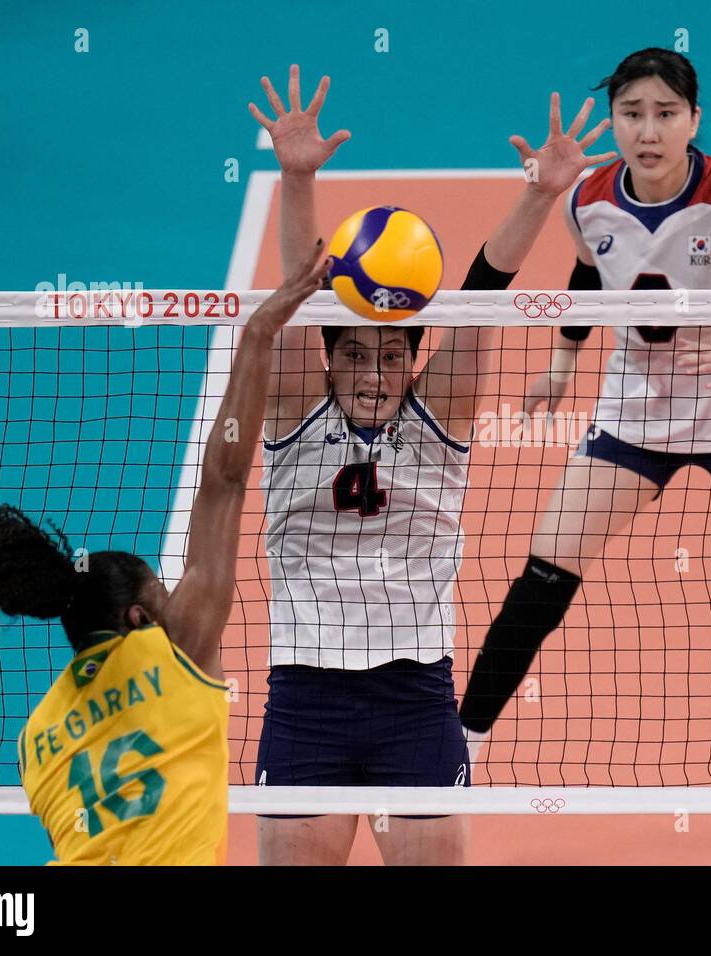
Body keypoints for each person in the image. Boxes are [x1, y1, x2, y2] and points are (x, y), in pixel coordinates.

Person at [248, 66, 616, 865]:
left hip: (414, 701)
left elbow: (485, 291)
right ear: (327, 361)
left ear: (414, 364)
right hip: (306, 700)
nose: (372, 374)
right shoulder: (291, 414)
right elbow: (296, 293)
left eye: (389, 356)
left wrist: (540, 195)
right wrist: (298, 177)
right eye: (353, 356)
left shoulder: (438, 420)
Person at [460, 47, 711, 746]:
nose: (648, 132)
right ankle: (464, 743)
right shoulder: (586, 199)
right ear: (613, 121)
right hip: (637, 416)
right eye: (632, 115)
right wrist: (566, 358)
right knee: (544, 570)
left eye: (665, 114)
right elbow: (591, 267)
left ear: (695, 120)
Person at [0, 247, 330, 864]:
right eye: (164, 596)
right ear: (141, 621)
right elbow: (223, 481)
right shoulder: (177, 652)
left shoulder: (35, 737)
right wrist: (257, 335)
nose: (178, 601)